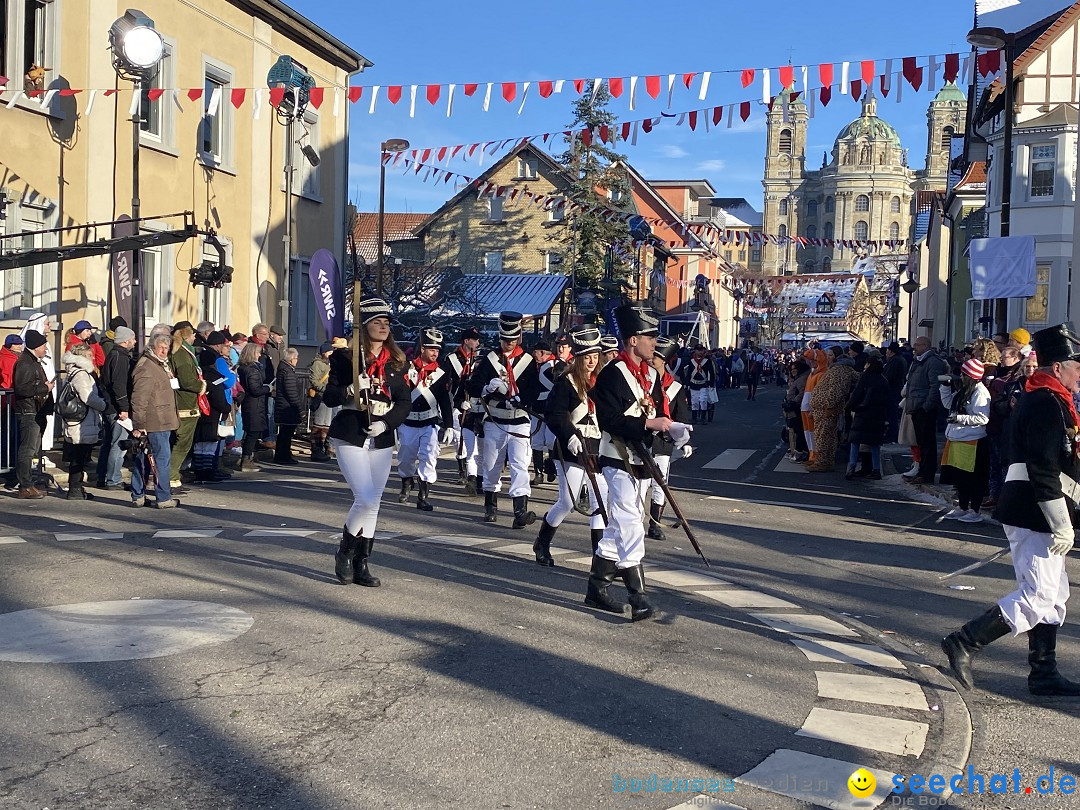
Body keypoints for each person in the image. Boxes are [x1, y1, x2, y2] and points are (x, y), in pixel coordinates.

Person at [942, 323, 1080, 696]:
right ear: (1058, 368)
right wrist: (1061, 523)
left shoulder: (1052, 399)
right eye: (1077, 366)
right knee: (1037, 594)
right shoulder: (1046, 403)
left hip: (1040, 511)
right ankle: (965, 641)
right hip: (1033, 511)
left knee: (1054, 597)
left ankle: (1044, 673)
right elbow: (1043, 468)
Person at [588, 304, 675, 622]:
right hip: (616, 458)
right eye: (650, 337)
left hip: (642, 460)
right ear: (634, 340)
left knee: (620, 527)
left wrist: (667, 430)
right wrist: (646, 426)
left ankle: (596, 587)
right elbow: (609, 420)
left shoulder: (651, 375)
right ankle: (638, 596)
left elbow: (651, 412)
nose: (655, 343)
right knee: (629, 524)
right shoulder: (612, 375)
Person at [324, 296, 411, 587]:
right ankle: (344, 552)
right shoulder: (344, 358)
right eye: (377, 322)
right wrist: (350, 386)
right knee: (364, 497)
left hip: (381, 436)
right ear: (363, 326)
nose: (384, 326)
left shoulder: (397, 363)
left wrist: (387, 423)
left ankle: (362, 563)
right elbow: (330, 397)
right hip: (351, 431)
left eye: (387, 322)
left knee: (374, 504)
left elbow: (403, 402)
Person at [535, 326, 609, 564]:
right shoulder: (566, 382)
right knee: (568, 501)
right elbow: (555, 415)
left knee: (600, 500)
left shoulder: (603, 382)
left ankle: (600, 557)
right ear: (577, 357)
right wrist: (570, 435)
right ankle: (542, 542)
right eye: (586, 357)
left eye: (595, 356)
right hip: (571, 447)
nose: (591, 361)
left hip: (597, 446)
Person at [468, 312, 541, 527]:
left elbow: (534, 388)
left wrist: (522, 398)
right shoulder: (490, 359)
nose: (509, 344)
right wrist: (486, 388)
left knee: (520, 464)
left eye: (512, 340)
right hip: (495, 419)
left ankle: (520, 511)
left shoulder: (527, 361)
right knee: (492, 464)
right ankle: (491, 504)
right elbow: (472, 386)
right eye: (505, 340)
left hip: (519, 419)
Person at [397, 328, 453, 511]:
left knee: (429, 458)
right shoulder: (408, 368)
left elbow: (445, 401)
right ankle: (406, 482)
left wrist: (449, 425)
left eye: (437, 349)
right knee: (406, 457)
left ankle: (423, 496)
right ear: (422, 349)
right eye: (431, 349)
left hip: (429, 423)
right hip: (408, 422)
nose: (435, 353)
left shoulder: (441, 373)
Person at [647, 336, 693, 540]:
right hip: (641, 437)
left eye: (655, 358)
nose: (651, 361)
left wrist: (685, 440)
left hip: (662, 441)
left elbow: (681, 416)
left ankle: (655, 523)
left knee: (660, 484)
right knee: (638, 484)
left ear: (663, 361)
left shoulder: (675, 387)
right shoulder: (641, 381)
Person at [130, 333, 180, 508]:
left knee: (145, 459)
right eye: (161, 347)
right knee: (161, 459)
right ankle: (163, 497)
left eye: (167, 348)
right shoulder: (147, 367)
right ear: (153, 347)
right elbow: (139, 399)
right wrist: (138, 424)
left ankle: (138, 495)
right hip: (155, 421)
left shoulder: (158, 365)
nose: (164, 351)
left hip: (161, 419)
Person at [939, 358, 991, 522]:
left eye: (963, 374)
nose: (960, 377)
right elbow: (948, 404)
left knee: (973, 478)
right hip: (958, 439)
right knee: (961, 478)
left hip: (973, 441)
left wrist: (959, 419)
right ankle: (962, 507)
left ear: (970, 376)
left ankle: (974, 510)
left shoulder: (980, 392)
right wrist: (945, 387)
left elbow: (983, 418)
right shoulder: (965, 391)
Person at [59, 343, 107, 500]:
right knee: (79, 457)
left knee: (78, 456)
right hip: (82, 420)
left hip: (79, 419)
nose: (92, 358)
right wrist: (103, 405)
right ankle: (74, 490)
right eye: (89, 355)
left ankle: (76, 489)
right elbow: (88, 397)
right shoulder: (81, 374)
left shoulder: (73, 372)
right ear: (80, 357)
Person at [11, 330, 54, 498]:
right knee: (27, 450)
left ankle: (29, 483)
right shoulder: (25, 363)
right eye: (43, 346)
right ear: (36, 346)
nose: (45, 349)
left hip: (35, 411)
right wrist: (45, 388)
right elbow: (21, 388)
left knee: (31, 449)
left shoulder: (33, 361)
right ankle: (25, 486)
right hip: (28, 411)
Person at [442, 327, 482, 495]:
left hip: (474, 403)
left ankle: (473, 473)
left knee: (473, 441)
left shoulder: (480, 359)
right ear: (466, 341)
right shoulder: (452, 359)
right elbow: (446, 381)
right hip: (455, 401)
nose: (478, 342)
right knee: (459, 438)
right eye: (475, 339)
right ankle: (461, 469)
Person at [95, 326, 136, 489]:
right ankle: (113, 479)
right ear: (125, 341)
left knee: (108, 442)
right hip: (116, 407)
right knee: (119, 444)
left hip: (110, 405)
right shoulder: (120, 356)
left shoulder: (114, 354)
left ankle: (102, 476)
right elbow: (119, 385)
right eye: (132, 338)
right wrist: (124, 407)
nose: (135, 341)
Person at [904, 335, 947, 484]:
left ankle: (927, 473)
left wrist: (926, 406)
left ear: (925, 346)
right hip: (916, 406)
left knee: (927, 442)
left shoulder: (932, 362)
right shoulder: (919, 361)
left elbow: (935, 386)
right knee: (921, 442)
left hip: (924, 408)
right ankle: (922, 471)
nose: (914, 347)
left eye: (917, 345)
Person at [192, 331, 234, 481]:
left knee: (199, 445)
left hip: (199, 413)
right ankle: (208, 472)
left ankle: (199, 470)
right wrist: (226, 408)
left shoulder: (198, 375)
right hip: (212, 414)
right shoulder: (216, 378)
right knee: (209, 445)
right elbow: (218, 397)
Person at [169, 322, 204, 490]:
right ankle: (172, 477)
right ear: (186, 335)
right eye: (193, 334)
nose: (195, 337)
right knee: (182, 443)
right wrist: (203, 386)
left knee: (180, 442)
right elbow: (186, 380)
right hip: (185, 403)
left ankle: (172, 475)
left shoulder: (183, 352)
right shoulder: (182, 354)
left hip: (184, 401)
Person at [845, 356, 889, 480]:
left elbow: (857, 394)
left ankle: (851, 467)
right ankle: (876, 469)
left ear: (868, 365)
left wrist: (850, 406)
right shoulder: (883, 380)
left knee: (855, 441)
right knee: (874, 444)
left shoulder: (865, 378)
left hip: (862, 413)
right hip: (878, 415)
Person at [237, 340, 271, 472]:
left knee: (252, 432)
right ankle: (246, 459)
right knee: (253, 432)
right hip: (253, 404)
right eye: (257, 353)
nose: (259, 355)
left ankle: (247, 458)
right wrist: (267, 388)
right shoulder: (252, 370)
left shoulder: (246, 368)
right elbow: (255, 390)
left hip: (251, 404)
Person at [273, 347, 303, 465]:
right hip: (287, 408)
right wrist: (299, 408)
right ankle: (283, 456)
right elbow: (291, 393)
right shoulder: (288, 372)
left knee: (284, 433)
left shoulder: (284, 369)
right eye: (296, 358)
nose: (297, 360)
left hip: (284, 406)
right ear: (291, 359)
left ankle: (283, 455)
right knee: (286, 434)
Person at [308, 342, 334, 462]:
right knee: (319, 425)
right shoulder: (318, 364)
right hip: (321, 397)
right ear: (324, 353)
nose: (332, 354)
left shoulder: (328, 363)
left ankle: (321, 449)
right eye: (330, 352)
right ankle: (316, 450)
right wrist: (326, 390)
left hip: (327, 397)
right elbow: (315, 381)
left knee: (325, 426)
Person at [882, 342, 908, 444]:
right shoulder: (899, 360)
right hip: (896, 389)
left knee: (892, 415)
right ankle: (892, 434)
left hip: (893, 390)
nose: (886, 353)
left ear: (891, 351)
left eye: (887, 351)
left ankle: (893, 435)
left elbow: (889, 377)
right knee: (893, 414)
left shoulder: (895, 361)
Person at [686, 344, 715, 424]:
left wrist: (711, 384)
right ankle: (694, 418)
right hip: (693, 383)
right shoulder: (691, 360)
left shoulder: (707, 360)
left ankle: (703, 418)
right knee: (694, 401)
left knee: (703, 401)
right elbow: (689, 372)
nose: (700, 352)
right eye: (698, 350)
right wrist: (687, 383)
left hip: (703, 384)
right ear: (695, 351)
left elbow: (711, 373)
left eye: (701, 350)